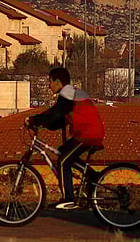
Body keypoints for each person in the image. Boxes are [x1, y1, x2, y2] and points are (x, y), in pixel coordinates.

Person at [25, 67, 105, 210]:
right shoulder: (71, 93)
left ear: (57, 82)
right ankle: (93, 176)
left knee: (63, 161)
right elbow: (59, 119)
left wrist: (33, 120)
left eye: (49, 81)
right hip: (89, 132)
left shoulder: (67, 92)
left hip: (87, 133)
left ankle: (69, 199)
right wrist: (44, 124)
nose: (49, 85)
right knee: (64, 152)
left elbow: (56, 112)